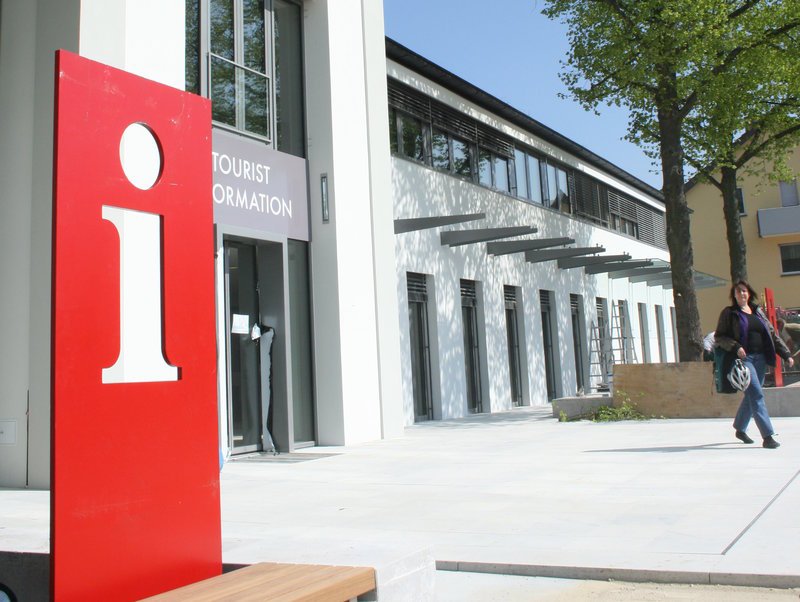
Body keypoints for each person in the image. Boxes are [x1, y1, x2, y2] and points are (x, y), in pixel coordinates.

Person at [715, 280, 794, 448]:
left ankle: (740, 428)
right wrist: (736, 347)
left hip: (761, 359)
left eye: (744, 291)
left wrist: (786, 354)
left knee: (752, 394)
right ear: (734, 295)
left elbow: (772, 335)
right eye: (738, 292)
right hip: (744, 361)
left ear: (749, 293)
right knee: (757, 394)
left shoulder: (758, 312)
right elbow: (720, 337)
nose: (741, 294)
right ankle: (768, 436)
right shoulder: (730, 313)